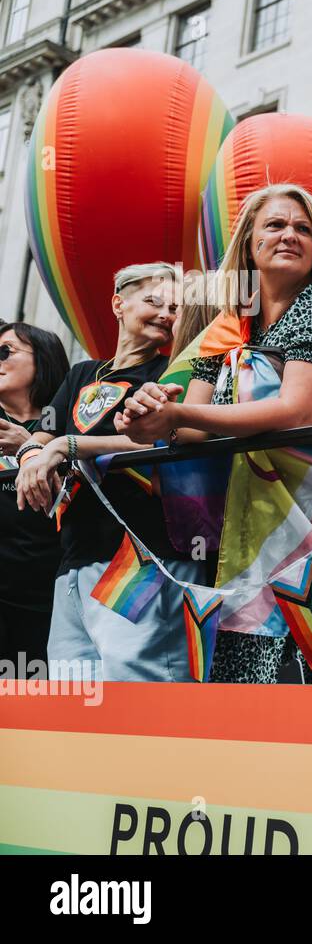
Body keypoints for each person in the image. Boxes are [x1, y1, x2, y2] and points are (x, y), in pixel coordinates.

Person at [120, 184, 312, 683]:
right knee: (249, 699)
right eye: (275, 225)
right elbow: (190, 423)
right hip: (248, 541)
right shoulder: (230, 325)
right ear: (248, 242)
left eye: (304, 229)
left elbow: (299, 410)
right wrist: (146, 417)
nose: (290, 236)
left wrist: (179, 420)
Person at [15, 264, 204, 681]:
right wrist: (32, 459)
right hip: (75, 558)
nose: (167, 314)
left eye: (176, 307)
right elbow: (42, 434)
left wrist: (68, 446)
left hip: (143, 557)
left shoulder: (172, 374)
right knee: (72, 693)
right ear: (118, 303)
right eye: (155, 301)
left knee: (138, 687)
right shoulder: (82, 373)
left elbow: (159, 441)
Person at [0, 322, 69, 663]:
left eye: (5, 352)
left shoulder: (68, 424)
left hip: (50, 584)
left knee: (34, 697)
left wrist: (30, 446)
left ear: (43, 359)